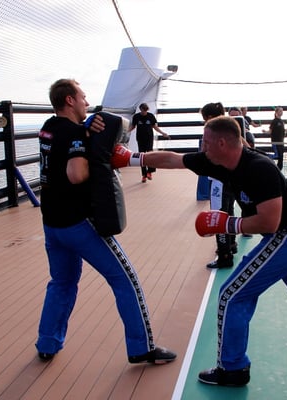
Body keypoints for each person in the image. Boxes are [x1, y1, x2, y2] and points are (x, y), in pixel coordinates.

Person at [105, 115, 287, 387]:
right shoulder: (215, 161)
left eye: (206, 141)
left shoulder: (260, 169)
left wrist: (227, 223)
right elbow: (174, 159)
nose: (202, 147)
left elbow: (269, 222)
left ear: (222, 143)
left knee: (232, 294)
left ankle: (232, 369)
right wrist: (132, 158)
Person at [36, 79, 176, 365]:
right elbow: (76, 174)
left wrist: (85, 131)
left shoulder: (47, 127)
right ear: (70, 100)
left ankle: (47, 343)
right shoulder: (76, 133)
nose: (87, 103)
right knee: (125, 280)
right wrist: (103, 162)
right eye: (83, 97)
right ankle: (141, 347)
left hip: (52, 224)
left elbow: (63, 148)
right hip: (78, 224)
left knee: (62, 282)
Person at [202, 102, 237, 268]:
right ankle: (231, 245)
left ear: (209, 117)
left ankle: (224, 256)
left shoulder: (212, 134)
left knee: (218, 217)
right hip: (232, 180)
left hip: (218, 182)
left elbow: (204, 154)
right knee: (229, 212)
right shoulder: (231, 130)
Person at [129, 103, 169, 183]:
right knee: (142, 156)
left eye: (146, 110)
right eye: (143, 110)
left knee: (150, 154)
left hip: (149, 138)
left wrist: (163, 133)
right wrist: (126, 132)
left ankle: (150, 172)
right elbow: (133, 126)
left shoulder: (150, 116)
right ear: (140, 109)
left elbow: (155, 126)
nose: (145, 112)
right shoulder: (136, 116)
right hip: (140, 138)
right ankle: (144, 175)